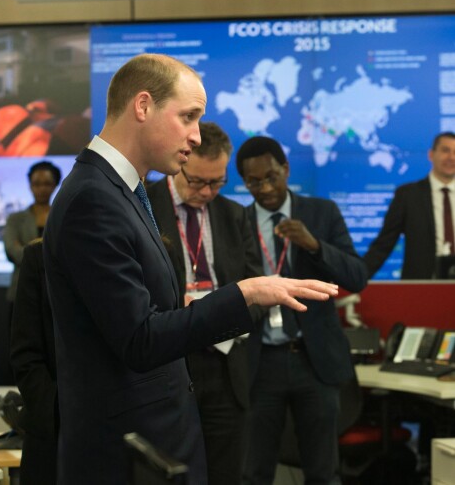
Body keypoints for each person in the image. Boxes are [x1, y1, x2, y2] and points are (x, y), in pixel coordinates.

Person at [43, 53, 338, 485]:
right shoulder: (95, 199)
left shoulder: (118, 190)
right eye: (188, 117)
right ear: (143, 106)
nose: (197, 137)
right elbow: (140, 339)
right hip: (129, 455)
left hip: (154, 442)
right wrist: (246, 294)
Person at [235, 136, 368, 485]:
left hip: (314, 359)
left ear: (286, 170)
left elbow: (357, 277)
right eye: (253, 182)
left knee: (323, 472)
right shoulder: (237, 221)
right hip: (259, 362)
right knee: (254, 471)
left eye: (271, 177)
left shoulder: (322, 213)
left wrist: (314, 245)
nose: (264, 188)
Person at [147, 121, 264, 485]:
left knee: (225, 473)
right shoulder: (144, 206)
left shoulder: (234, 214)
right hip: (169, 364)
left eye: (217, 182)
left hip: (227, 367)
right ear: (180, 161)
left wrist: (225, 315)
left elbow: (257, 289)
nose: (207, 191)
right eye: (197, 181)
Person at [364, 131, 455, 279]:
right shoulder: (408, 195)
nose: (451, 157)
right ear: (431, 154)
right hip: (421, 286)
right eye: (445, 151)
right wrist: (354, 279)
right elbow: (383, 245)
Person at [10, 239, 57, 485]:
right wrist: (57, 414)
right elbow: (26, 355)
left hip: (126, 431)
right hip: (54, 436)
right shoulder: (40, 256)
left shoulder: (147, 249)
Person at [3, 161, 61, 302]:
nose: (41, 189)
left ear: (55, 185)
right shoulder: (15, 219)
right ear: (30, 185)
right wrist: (49, 257)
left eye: (47, 184)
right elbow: (12, 251)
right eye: (36, 184)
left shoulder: (62, 217)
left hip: (56, 293)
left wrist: (27, 250)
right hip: (21, 290)